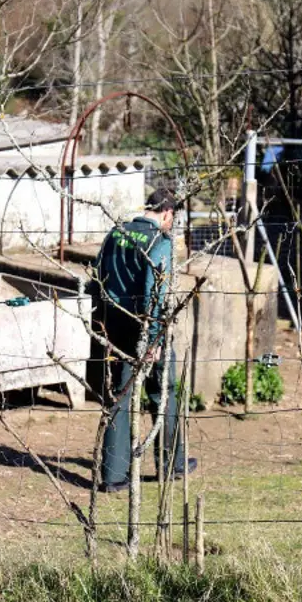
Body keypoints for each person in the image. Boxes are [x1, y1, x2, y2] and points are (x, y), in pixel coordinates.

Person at [91, 188, 197, 494]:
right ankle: (171, 464)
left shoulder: (116, 233)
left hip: (114, 325)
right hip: (146, 327)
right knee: (165, 391)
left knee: (118, 395)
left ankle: (113, 476)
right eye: (173, 219)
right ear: (167, 214)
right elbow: (155, 291)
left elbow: (97, 277)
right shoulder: (160, 242)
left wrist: (101, 320)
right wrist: (153, 340)